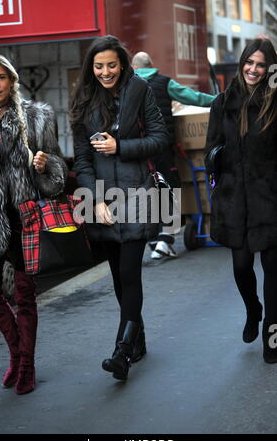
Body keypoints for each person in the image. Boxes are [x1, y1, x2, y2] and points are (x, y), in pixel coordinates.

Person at [71, 35, 168, 380]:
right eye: (99, 66)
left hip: (138, 193)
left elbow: (159, 138)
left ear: (122, 64)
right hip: (100, 200)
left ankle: (122, 352)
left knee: (129, 273)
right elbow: (81, 158)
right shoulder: (83, 98)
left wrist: (120, 146)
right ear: (91, 67)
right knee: (117, 277)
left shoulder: (139, 90)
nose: (105, 72)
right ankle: (137, 340)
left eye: (112, 65)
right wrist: (92, 200)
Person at [0, 54, 67, 394]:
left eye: (2, 77)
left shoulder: (38, 116)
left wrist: (46, 165)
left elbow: (55, 176)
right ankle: (16, 354)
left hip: (25, 218)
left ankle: (27, 366)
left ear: (13, 80)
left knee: (25, 296)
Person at [204, 38, 277, 364]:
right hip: (235, 199)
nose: (254, 69)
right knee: (242, 266)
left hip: (270, 199)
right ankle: (253, 309)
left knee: (274, 273)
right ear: (242, 62)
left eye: (261, 65)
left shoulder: (275, 102)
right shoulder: (222, 104)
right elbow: (211, 148)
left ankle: (271, 338)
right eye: (250, 62)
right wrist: (217, 162)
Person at [132, 52, 216, 258]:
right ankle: (165, 240)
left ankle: (152, 239)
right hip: (161, 147)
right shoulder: (164, 82)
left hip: (137, 150)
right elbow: (193, 98)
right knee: (170, 190)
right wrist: (219, 100)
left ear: (133, 67)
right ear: (152, 65)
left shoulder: (127, 86)